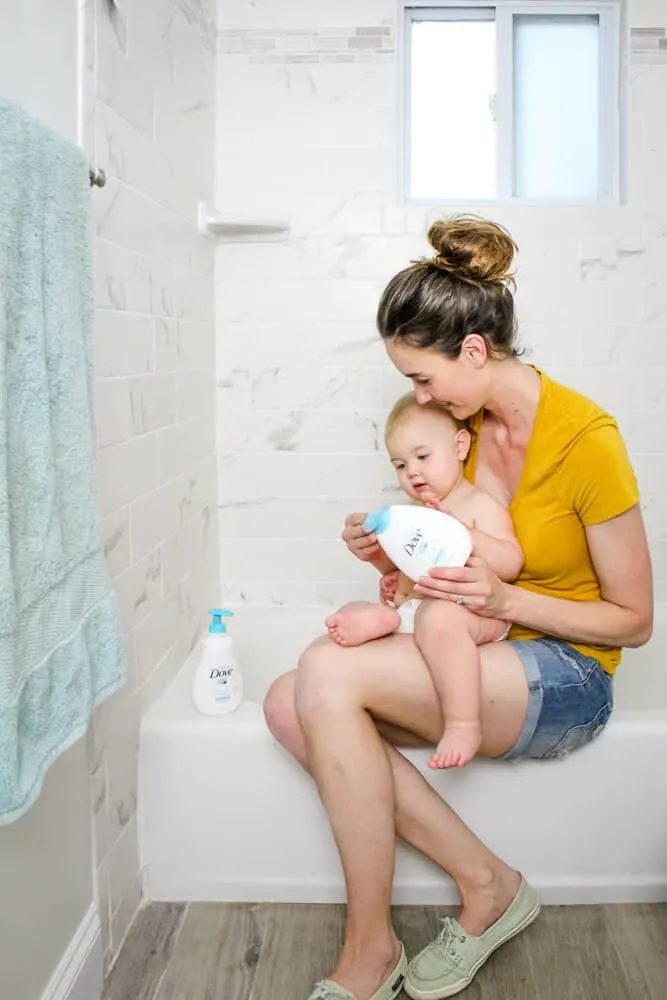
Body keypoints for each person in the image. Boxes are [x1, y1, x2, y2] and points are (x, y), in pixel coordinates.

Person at [263, 216, 653, 1000]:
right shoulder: (456, 429)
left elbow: (634, 622)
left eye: (421, 378)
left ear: (473, 351)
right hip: (481, 650)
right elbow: (446, 552)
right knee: (286, 703)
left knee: (321, 678)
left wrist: (508, 597)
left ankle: (368, 948)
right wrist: (386, 550)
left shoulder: (586, 443)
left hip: (569, 673)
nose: (418, 396)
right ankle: (486, 882)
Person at [325, 392, 523, 769]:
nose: (411, 472)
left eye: (422, 457)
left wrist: (461, 532)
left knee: (439, 617)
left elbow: (511, 562)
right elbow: (404, 568)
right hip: (418, 612)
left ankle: (464, 723)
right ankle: (382, 620)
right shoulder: (412, 514)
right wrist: (379, 557)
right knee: (359, 607)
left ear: (460, 446)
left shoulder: (479, 505)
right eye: (400, 464)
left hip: (472, 614)